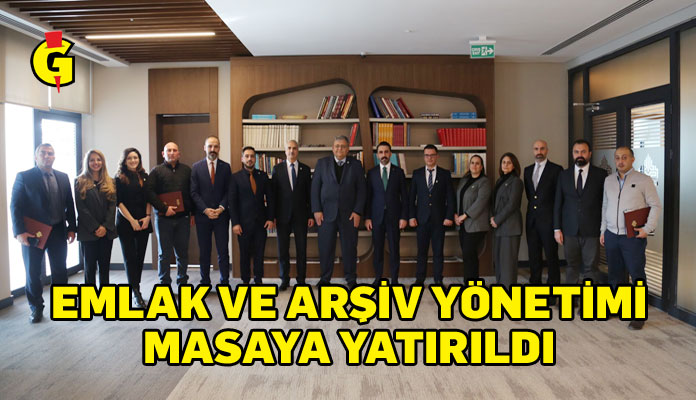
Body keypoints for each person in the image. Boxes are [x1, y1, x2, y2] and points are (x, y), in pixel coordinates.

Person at [10, 143, 76, 323]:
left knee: (60, 269)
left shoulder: (62, 177)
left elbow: (69, 204)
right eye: (43, 153)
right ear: (36, 156)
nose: (47, 156)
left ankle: (62, 305)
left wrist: (72, 227)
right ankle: (36, 308)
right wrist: (19, 232)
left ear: (54, 157)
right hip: (33, 233)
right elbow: (15, 206)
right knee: (33, 272)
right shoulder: (24, 177)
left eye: (50, 153)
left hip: (58, 231)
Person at [600, 146, 661, 330]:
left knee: (637, 275)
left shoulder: (644, 180)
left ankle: (638, 315)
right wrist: (603, 230)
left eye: (624, 157)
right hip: (612, 234)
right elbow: (605, 206)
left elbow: (655, 205)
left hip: (632, 237)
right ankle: (616, 307)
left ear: (632, 159)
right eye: (617, 157)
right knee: (614, 275)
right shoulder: (609, 180)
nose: (620, 161)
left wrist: (647, 229)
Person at [311, 135, 366, 289]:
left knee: (349, 248)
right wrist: (316, 210)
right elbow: (315, 188)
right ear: (332, 148)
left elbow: (362, 190)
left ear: (348, 149)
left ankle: (351, 279)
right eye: (337, 146)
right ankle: (325, 278)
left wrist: (357, 211)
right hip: (325, 214)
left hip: (349, 215)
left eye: (343, 146)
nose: (339, 149)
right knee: (325, 247)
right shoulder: (322, 163)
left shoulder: (356, 165)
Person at [554, 139, 608, 288]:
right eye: (576, 152)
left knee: (591, 268)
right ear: (572, 154)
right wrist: (557, 228)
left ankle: (588, 300)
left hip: (592, 230)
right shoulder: (563, 175)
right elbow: (558, 203)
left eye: (583, 152)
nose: (580, 155)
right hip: (569, 230)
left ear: (590, 153)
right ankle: (570, 298)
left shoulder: (601, 174)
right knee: (571, 266)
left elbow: (605, 203)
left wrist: (604, 229)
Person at [146, 142, 193, 287]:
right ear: (163, 154)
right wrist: (164, 208)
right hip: (163, 219)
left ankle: (182, 281)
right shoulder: (156, 171)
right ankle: (164, 283)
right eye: (169, 150)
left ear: (179, 153)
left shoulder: (187, 170)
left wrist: (191, 213)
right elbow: (149, 192)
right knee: (164, 254)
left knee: (182, 253)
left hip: (183, 219)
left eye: (174, 150)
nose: (172, 153)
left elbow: (192, 192)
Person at [409, 145, 455, 286]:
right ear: (424, 157)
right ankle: (420, 279)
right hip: (421, 220)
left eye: (432, 155)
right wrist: (411, 216)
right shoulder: (417, 174)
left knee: (438, 251)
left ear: (437, 156)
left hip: (439, 220)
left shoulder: (445, 174)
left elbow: (450, 198)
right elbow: (411, 198)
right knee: (421, 251)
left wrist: (449, 216)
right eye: (427, 155)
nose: (429, 158)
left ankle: (438, 279)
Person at [271, 139, 313, 290]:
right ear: (285, 151)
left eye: (294, 148)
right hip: (282, 217)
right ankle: (284, 279)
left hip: (301, 217)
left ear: (298, 151)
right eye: (289, 148)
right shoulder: (277, 169)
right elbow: (273, 195)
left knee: (302, 250)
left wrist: (310, 215)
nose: (291, 151)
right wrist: (272, 216)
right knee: (283, 250)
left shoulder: (305, 170)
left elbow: (310, 195)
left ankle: (301, 280)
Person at [365, 142, 408, 286]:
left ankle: (394, 280)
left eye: (386, 152)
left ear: (390, 154)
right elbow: (368, 197)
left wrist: (403, 217)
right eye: (381, 152)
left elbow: (405, 197)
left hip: (394, 218)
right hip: (376, 218)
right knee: (378, 250)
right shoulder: (371, 173)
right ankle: (378, 278)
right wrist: (367, 218)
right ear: (377, 155)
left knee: (394, 249)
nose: (384, 155)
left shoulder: (399, 172)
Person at [229, 146, 275, 284]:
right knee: (244, 254)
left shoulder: (263, 176)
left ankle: (258, 279)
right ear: (242, 159)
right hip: (243, 224)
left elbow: (270, 198)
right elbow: (232, 202)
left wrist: (270, 218)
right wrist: (235, 223)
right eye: (247, 156)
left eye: (252, 156)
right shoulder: (235, 177)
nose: (250, 159)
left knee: (259, 254)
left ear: (255, 159)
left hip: (261, 223)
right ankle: (245, 280)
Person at [191, 136, 232, 286]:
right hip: (203, 217)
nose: (212, 149)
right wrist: (205, 209)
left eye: (215, 146)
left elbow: (229, 191)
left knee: (223, 251)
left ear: (219, 148)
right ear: (204, 148)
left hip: (221, 216)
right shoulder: (196, 167)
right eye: (210, 146)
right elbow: (194, 192)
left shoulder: (226, 167)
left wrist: (221, 208)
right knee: (204, 252)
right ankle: (205, 281)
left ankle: (224, 281)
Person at [523, 140, 563, 294]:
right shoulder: (527, 170)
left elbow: (558, 197)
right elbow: (530, 195)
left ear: (547, 150)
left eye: (542, 149)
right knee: (533, 255)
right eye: (536, 149)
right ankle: (535, 286)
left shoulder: (556, 169)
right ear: (533, 151)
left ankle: (553, 290)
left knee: (551, 256)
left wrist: (557, 223)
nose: (539, 151)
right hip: (532, 220)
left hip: (549, 220)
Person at [115, 147, 152, 308]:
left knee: (139, 258)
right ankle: (136, 292)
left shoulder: (144, 176)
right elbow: (119, 203)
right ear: (124, 161)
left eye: (135, 157)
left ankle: (136, 288)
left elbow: (149, 198)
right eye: (129, 158)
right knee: (130, 258)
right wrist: (132, 220)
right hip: (126, 223)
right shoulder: (119, 178)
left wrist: (148, 217)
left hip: (144, 221)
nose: (133, 160)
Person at [75, 149, 118, 288]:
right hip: (88, 232)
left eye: (98, 160)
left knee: (104, 268)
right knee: (89, 268)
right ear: (87, 162)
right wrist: (95, 227)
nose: (96, 163)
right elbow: (81, 208)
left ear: (103, 162)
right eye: (92, 160)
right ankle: (90, 298)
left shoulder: (111, 182)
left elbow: (112, 207)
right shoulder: (79, 181)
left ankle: (105, 298)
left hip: (107, 232)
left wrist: (104, 227)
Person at [454, 154, 491, 284]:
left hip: (476, 225)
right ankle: (472, 282)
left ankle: (470, 283)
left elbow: (480, 203)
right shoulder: (464, 180)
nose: (474, 165)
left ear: (481, 167)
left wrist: (464, 215)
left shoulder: (484, 182)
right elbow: (458, 198)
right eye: (472, 163)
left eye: (477, 163)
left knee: (469, 254)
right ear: (469, 165)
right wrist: (456, 215)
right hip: (462, 224)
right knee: (468, 255)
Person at [490, 153, 523, 287]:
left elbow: (512, 205)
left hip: (510, 227)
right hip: (498, 226)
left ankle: (508, 292)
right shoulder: (500, 181)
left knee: (508, 264)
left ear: (514, 165)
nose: (505, 165)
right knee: (499, 261)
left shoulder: (516, 182)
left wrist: (497, 219)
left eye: (509, 162)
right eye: (503, 162)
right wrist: (493, 217)